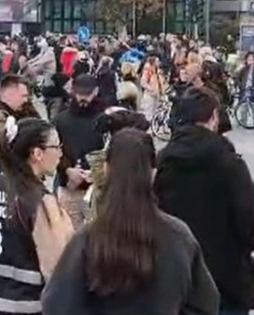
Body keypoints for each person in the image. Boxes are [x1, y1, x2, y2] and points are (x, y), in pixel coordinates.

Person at [42, 129, 220, 315]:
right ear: (153, 172)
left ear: (106, 169)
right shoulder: (178, 237)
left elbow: (56, 304)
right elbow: (205, 304)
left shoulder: (89, 238)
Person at [156, 86, 254, 315]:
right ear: (213, 117)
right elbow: (252, 221)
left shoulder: (165, 163)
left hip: (177, 276)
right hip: (226, 276)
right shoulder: (229, 163)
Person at [0, 117, 74, 315]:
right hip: (29, 306)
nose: (60, 153)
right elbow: (56, 267)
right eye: (56, 146)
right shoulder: (41, 201)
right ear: (37, 154)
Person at [53, 74, 108, 228]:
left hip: (98, 190)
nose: (83, 98)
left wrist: (98, 172)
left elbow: (111, 151)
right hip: (69, 188)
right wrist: (67, 169)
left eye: (87, 94)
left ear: (96, 92)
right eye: (79, 93)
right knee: (68, 235)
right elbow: (53, 150)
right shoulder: (61, 120)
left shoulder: (105, 120)